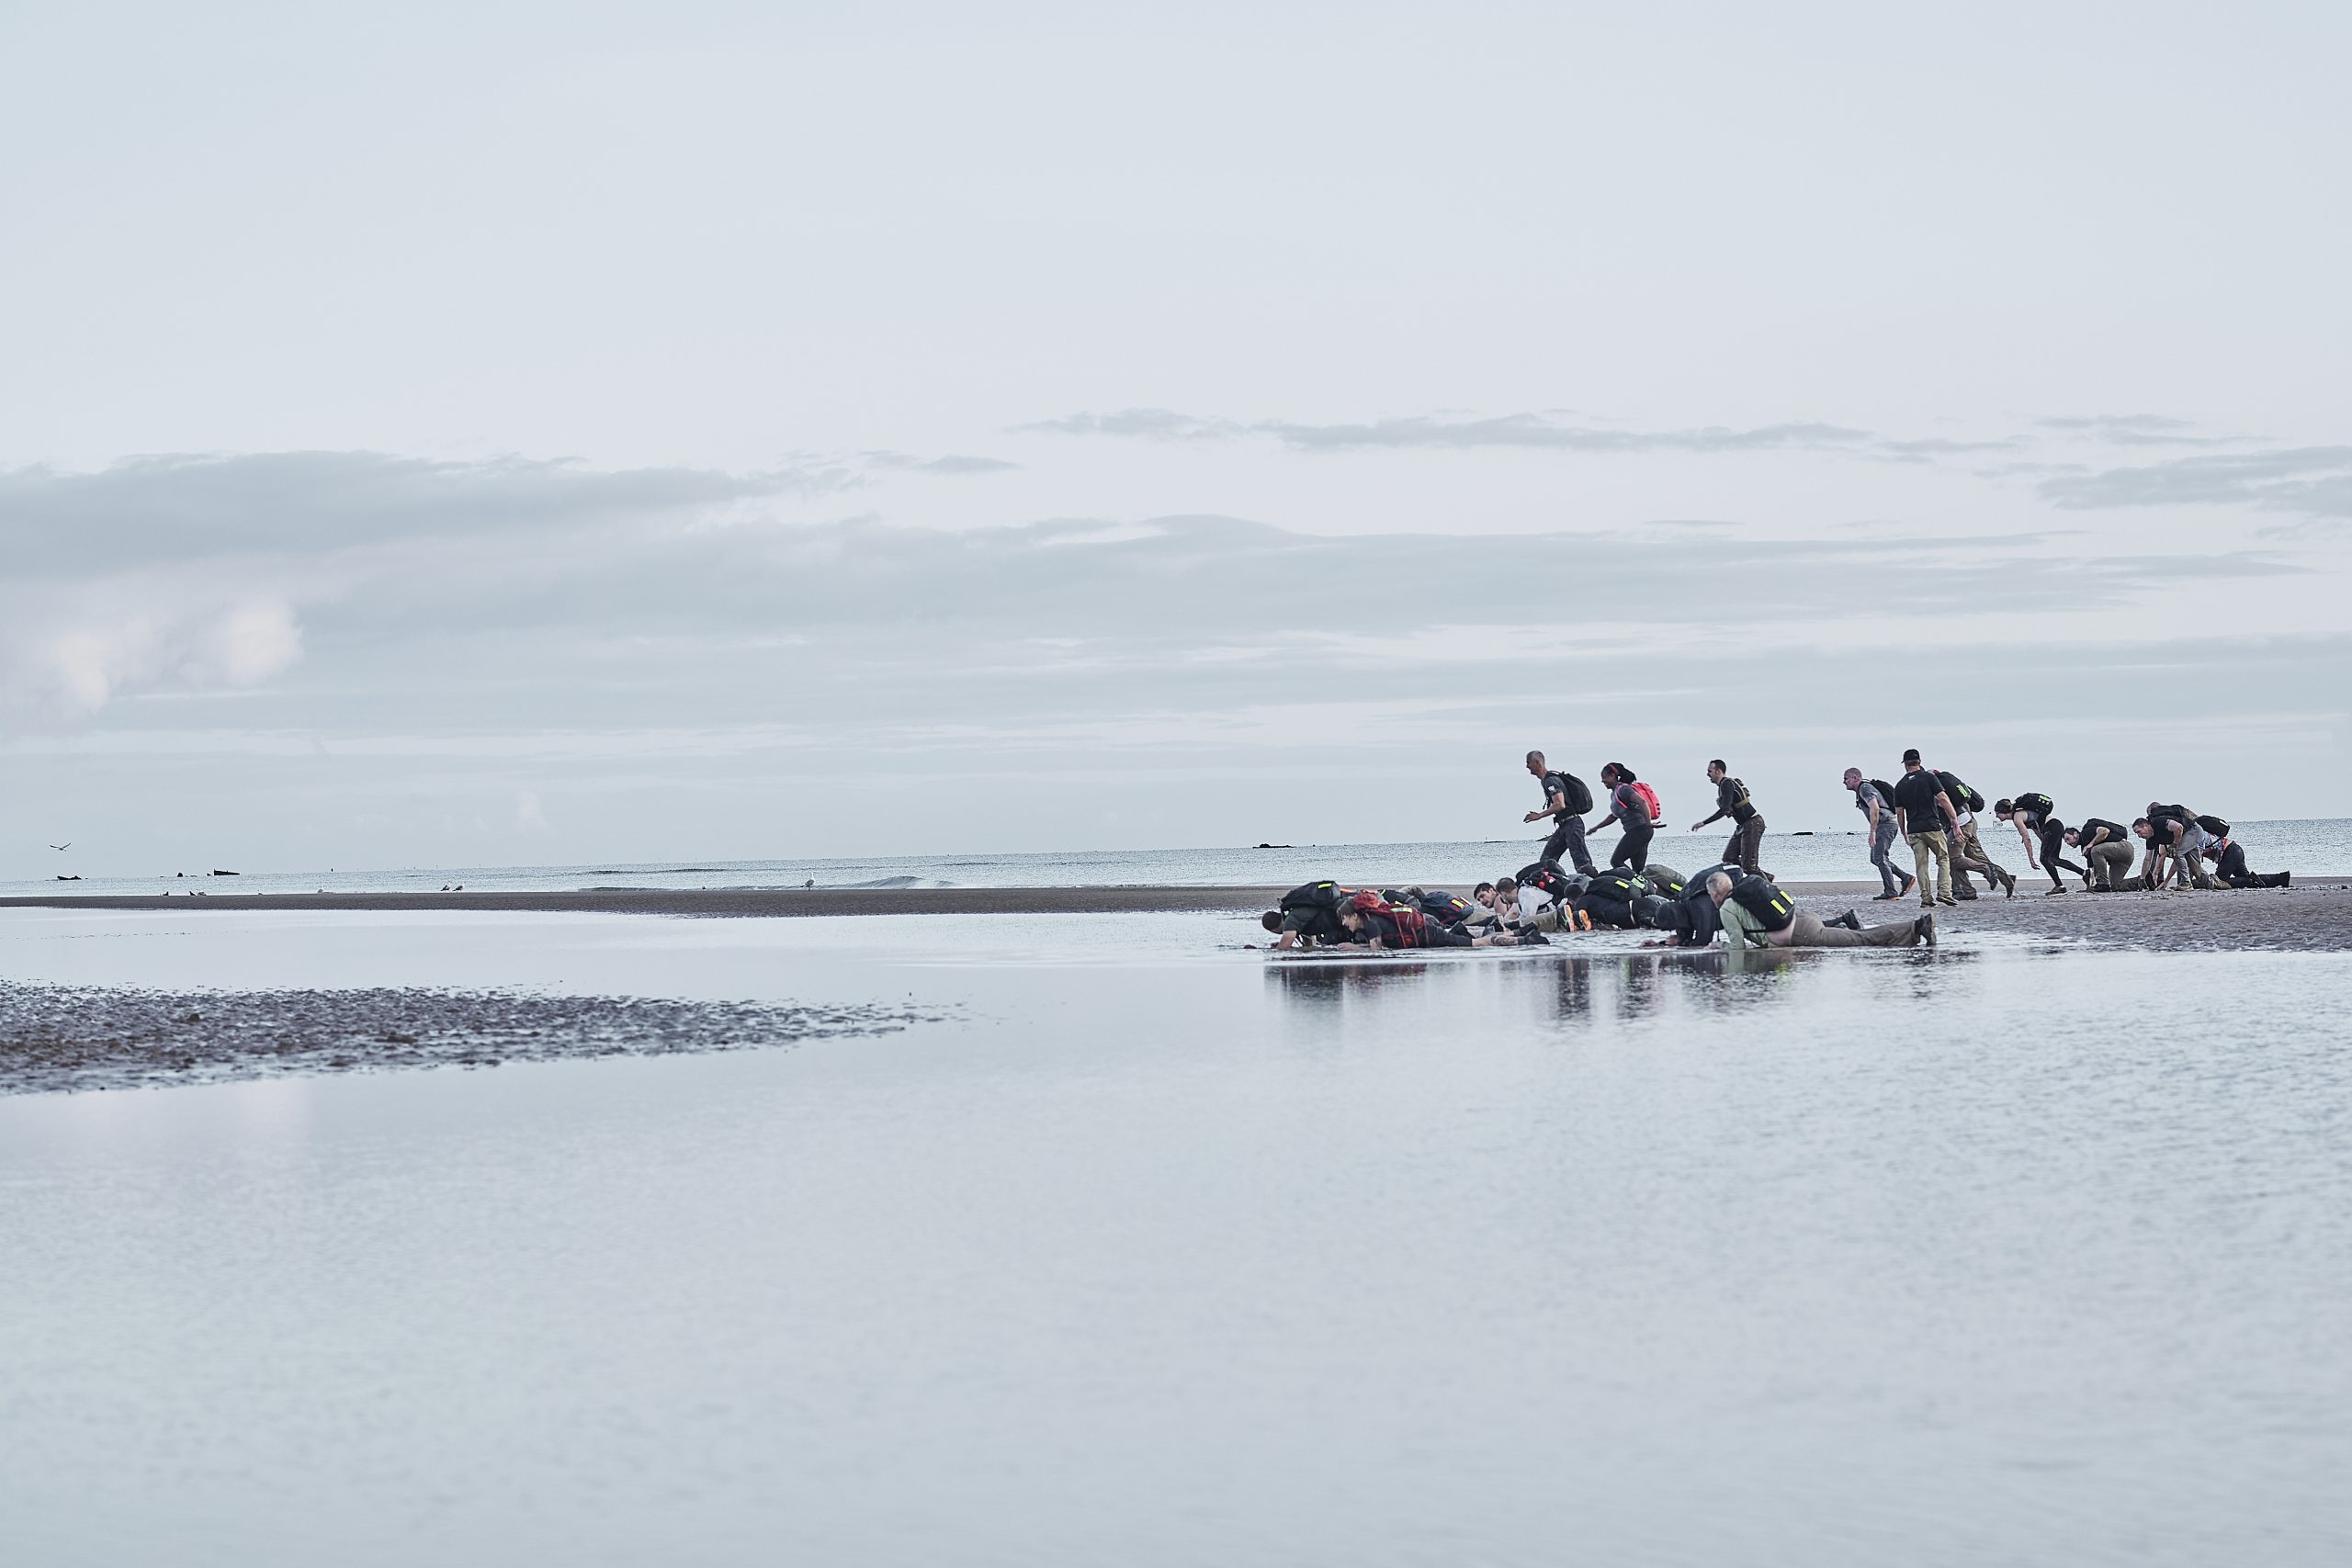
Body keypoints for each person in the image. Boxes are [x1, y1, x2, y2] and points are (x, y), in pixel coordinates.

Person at [1708, 870, 1935, 949]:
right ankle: (1912, 930)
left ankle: (1916, 926)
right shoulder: (1742, 893)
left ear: (1715, 893)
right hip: (1804, 918)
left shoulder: (1727, 908)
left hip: (1804, 932)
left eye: (1710, 895)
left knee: (1862, 939)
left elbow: (1737, 946)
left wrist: (1720, 946)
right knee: (1858, 937)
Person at [1892, 750, 1963, 908]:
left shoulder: (1900, 785)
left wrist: (1904, 832)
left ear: (1905, 764)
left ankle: (1926, 897)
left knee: (1921, 865)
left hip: (1914, 830)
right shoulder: (1929, 778)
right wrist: (1954, 822)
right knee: (1943, 859)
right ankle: (1944, 892)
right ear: (1919, 761)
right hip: (1932, 827)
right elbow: (1943, 798)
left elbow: (1899, 812)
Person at [1931, 766, 2016, 898]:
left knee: (1967, 858)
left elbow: (1957, 809)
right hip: (1965, 823)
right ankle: (1965, 890)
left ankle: (2003, 879)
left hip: (1963, 825)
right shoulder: (1953, 788)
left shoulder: (1942, 790)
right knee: (1959, 857)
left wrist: (1962, 829)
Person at [1844, 766, 1915, 901]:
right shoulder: (1862, 789)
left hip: (1885, 825)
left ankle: (1890, 891)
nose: (1844, 782)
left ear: (1855, 778)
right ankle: (1906, 878)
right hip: (1885, 825)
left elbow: (1875, 808)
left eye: (1846, 779)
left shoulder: (1865, 788)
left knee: (1880, 857)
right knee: (1875, 858)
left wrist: (1872, 832)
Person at [1690, 760, 1770, 878]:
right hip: (1743, 825)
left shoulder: (1727, 784)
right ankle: (1767, 878)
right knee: (1729, 858)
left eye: (1709, 771)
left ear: (1718, 771)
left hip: (1753, 823)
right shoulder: (1723, 786)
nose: (1708, 774)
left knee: (1749, 867)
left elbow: (1725, 810)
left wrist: (1703, 823)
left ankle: (1767, 888)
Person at [1521, 751, 1598, 876]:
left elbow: (1559, 804)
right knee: (1547, 861)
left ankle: (1593, 885)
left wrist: (1539, 815)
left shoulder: (1550, 781)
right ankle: (1551, 885)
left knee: (1582, 863)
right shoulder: (1547, 780)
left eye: (1528, 762)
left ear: (1537, 762)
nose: (1527, 766)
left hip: (1572, 824)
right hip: (1564, 825)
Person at [1995, 793, 2085, 895]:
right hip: (2055, 826)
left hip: (2052, 827)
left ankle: (2060, 886)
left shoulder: (2017, 817)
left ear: (2003, 811)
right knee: (2054, 859)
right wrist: (2044, 843)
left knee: (2044, 859)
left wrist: (2031, 859)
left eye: (1997, 813)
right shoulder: (2021, 813)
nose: (1996, 816)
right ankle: (2084, 873)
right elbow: (2037, 829)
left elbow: (2027, 839)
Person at [1588, 762, 1657, 871]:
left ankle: (1633, 882)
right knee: (1638, 869)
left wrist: (1648, 822)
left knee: (1616, 861)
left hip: (1640, 830)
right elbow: (1613, 816)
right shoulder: (1614, 794)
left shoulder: (1624, 789)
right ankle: (1641, 885)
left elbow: (1642, 802)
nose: (1603, 781)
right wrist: (1596, 828)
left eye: (1604, 778)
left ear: (1613, 776)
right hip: (1640, 831)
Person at [1261, 880, 1369, 949]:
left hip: (1345, 915)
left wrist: (1276, 949)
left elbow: (1283, 949)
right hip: (1337, 925)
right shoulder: (1296, 918)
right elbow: (1310, 947)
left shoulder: (1290, 921)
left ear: (1274, 930)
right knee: (1334, 948)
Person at [2139, 804, 2220, 890]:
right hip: (2190, 833)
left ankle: (2187, 883)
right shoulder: (2155, 835)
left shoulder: (2159, 822)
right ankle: (2211, 882)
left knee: (2177, 853)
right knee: (2194, 866)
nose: (2139, 836)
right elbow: (2148, 859)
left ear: (2146, 825)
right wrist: (2143, 878)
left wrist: (2174, 845)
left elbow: (2179, 828)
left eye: (2139, 832)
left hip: (2193, 831)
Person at [2201, 829, 2291, 889]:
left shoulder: (2195, 837)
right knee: (2247, 879)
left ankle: (2251, 881)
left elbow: (2194, 863)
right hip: (2235, 849)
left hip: (2229, 853)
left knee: (2219, 882)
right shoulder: (2198, 833)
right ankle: (2280, 878)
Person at [2064, 818, 2137, 891]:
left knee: (2096, 850)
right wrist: (2089, 885)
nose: (2067, 843)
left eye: (2068, 839)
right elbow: (2092, 867)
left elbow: (2105, 831)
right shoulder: (2084, 846)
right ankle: (2142, 881)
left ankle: (2103, 884)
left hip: (2124, 847)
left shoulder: (2086, 832)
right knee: (2116, 886)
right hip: (2119, 858)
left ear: (2075, 834)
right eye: (2065, 841)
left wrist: (2091, 844)